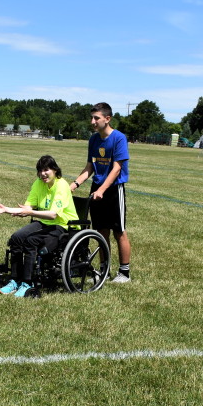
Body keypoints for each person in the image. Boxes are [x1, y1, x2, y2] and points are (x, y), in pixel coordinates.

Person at [0, 155, 78, 297]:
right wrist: (7, 209)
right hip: (44, 222)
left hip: (63, 226)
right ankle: (15, 280)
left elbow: (53, 215)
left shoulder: (61, 185)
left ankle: (28, 282)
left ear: (55, 170)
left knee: (32, 241)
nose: (42, 174)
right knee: (16, 238)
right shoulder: (38, 183)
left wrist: (29, 212)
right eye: (40, 171)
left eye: (46, 170)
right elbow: (27, 207)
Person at [68, 102, 131, 283]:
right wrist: (74, 184)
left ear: (107, 119)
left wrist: (102, 190)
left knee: (119, 231)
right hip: (97, 189)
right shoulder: (94, 139)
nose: (93, 121)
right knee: (100, 232)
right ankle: (104, 270)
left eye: (97, 118)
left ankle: (124, 272)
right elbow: (90, 166)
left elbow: (116, 169)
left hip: (113, 190)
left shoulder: (119, 138)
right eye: (92, 118)